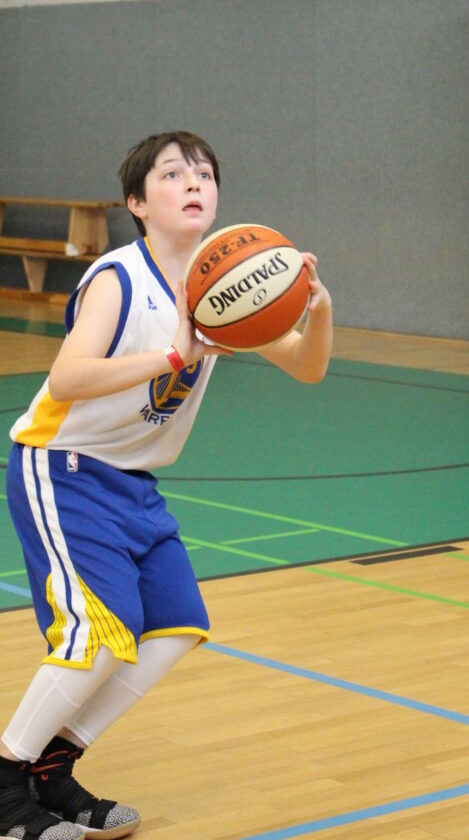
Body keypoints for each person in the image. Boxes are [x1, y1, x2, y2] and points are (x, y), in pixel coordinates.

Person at [0, 131, 333, 840]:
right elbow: (67, 377)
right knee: (100, 635)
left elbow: (308, 368)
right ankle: (4, 785)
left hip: (133, 482)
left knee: (177, 626)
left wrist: (318, 310)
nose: (194, 184)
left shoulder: (222, 290)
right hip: (63, 465)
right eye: (173, 174)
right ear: (137, 203)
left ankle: (52, 769)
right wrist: (173, 355)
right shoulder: (119, 277)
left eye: (204, 174)